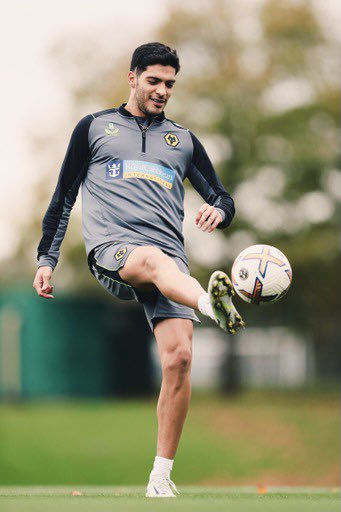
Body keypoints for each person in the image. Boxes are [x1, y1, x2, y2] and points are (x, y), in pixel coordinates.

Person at [33, 42, 244, 498]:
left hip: (171, 266)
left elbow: (222, 198)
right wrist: (46, 260)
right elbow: (63, 198)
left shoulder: (183, 140)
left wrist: (218, 214)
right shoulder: (94, 128)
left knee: (180, 359)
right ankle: (213, 305)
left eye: (170, 83)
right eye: (154, 81)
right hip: (115, 252)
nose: (163, 90)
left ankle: (160, 476)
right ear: (132, 77)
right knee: (151, 259)